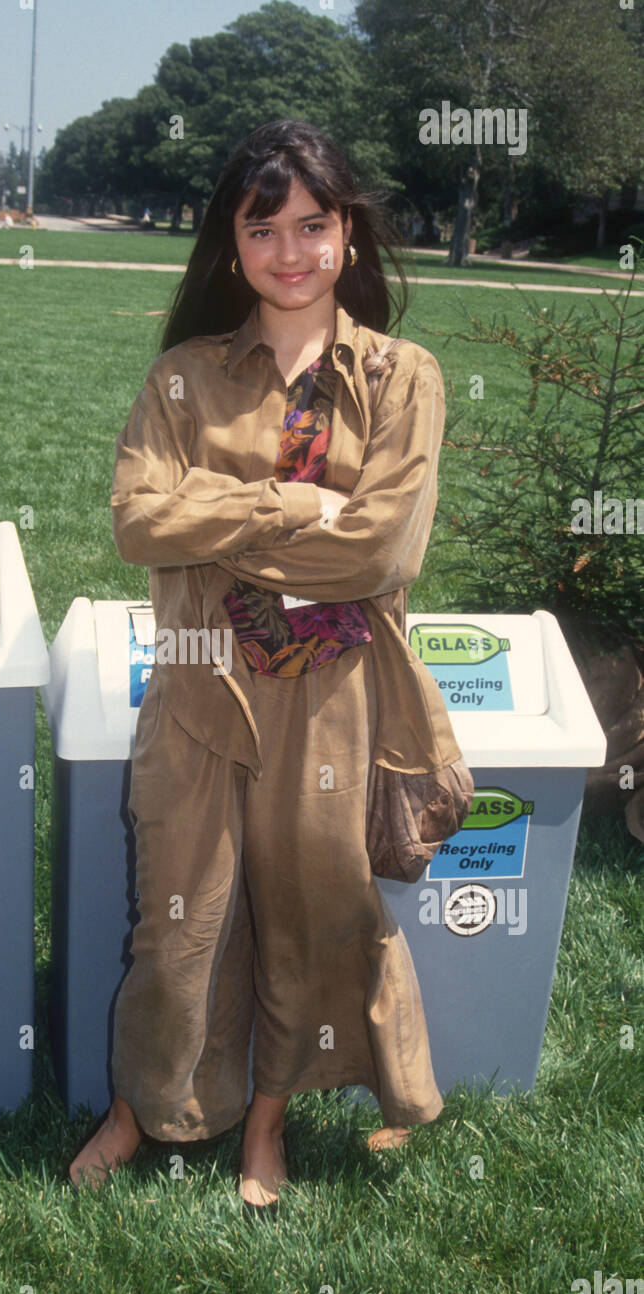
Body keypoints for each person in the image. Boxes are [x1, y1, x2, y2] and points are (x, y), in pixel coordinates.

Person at [69, 119, 451, 1209]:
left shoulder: (400, 376)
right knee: (176, 917)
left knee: (305, 908)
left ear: (349, 233)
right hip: (194, 686)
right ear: (229, 243)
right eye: (262, 226)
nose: (289, 250)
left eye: (312, 225)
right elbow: (139, 523)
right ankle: (139, 1107)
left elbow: (379, 545)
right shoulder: (182, 378)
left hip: (330, 700)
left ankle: (266, 1126)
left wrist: (216, 517)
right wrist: (291, 502)